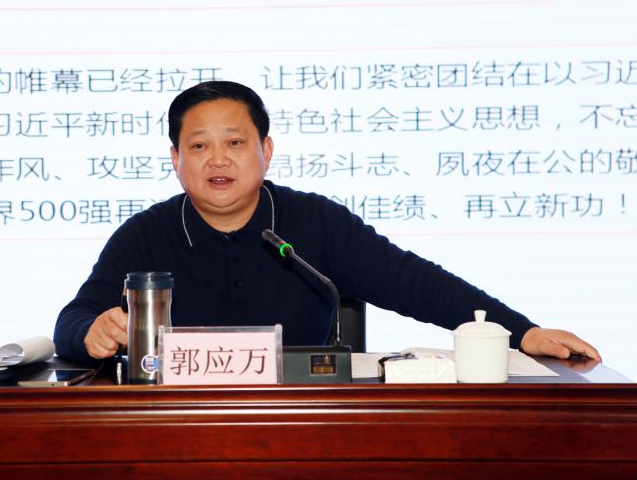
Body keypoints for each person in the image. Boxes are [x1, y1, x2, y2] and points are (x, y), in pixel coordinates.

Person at [54, 81, 601, 365]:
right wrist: (90, 332)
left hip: (301, 425)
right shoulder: (145, 235)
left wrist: (522, 332)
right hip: (177, 429)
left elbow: (414, 282)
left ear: (266, 151)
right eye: (198, 146)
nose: (217, 160)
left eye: (236, 143)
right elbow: (73, 321)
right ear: (175, 159)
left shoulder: (314, 222)